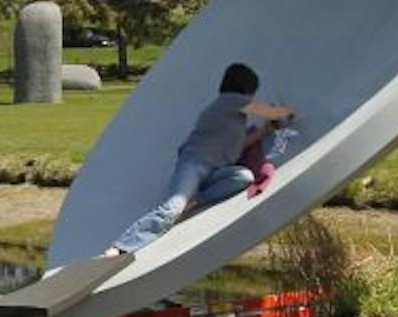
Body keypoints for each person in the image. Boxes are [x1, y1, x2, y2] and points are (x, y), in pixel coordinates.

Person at [103, 63, 294, 255]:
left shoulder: (232, 119)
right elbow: (271, 113)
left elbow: (240, 144)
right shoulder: (229, 101)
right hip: (194, 165)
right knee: (173, 207)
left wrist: (264, 131)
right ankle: (121, 247)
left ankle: (196, 199)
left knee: (244, 177)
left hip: (214, 171)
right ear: (245, 89)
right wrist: (286, 111)